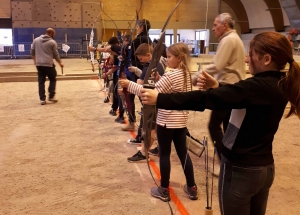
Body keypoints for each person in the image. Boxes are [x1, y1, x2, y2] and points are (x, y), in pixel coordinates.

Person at [140, 32, 300, 215]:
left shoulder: (256, 86)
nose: (247, 60)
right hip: (265, 169)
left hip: (241, 171)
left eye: (250, 54)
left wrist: (160, 99)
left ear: (266, 59)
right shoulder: (277, 84)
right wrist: (218, 87)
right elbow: (241, 98)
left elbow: (203, 99)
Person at [120, 43, 198, 201]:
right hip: (181, 123)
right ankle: (192, 187)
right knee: (183, 154)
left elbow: (149, 94)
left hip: (166, 122)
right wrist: (159, 79)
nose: (167, 59)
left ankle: (163, 189)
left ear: (179, 58)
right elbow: (170, 91)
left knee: (165, 154)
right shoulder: (186, 74)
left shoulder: (171, 75)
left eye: (169, 57)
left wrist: (129, 84)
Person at [194, 13, 246, 161]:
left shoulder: (229, 40)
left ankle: (223, 160)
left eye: (216, 25)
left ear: (225, 25)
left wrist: (195, 77)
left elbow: (216, 65)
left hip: (227, 88)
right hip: (233, 87)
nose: (213, 28)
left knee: (214, 126)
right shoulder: (233, 39)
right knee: (227, 126)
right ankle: (228, 158)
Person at [119, 43, 165, 161]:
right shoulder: (154, 65)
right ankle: (160, 148)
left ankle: (144, 153)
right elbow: (146, 80)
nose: (140, 61)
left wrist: (128, 85)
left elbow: (142, 88)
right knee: (156, 127)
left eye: (141, 59)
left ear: (149, 55)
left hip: (153, 103)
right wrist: (136, 71)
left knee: (150, 129)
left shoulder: (151, 66)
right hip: (156, 102)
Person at [31, 28, 63, 105]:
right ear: (51, 33)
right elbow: (56, 54)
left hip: (39, 64)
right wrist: (60, 63)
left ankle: (42, 99)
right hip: (49, 64)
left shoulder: (36, 40)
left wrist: (35, 61)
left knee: (41, 82)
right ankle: (51, 96)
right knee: (52, 79)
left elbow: (32, 51)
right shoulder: (52, 42)